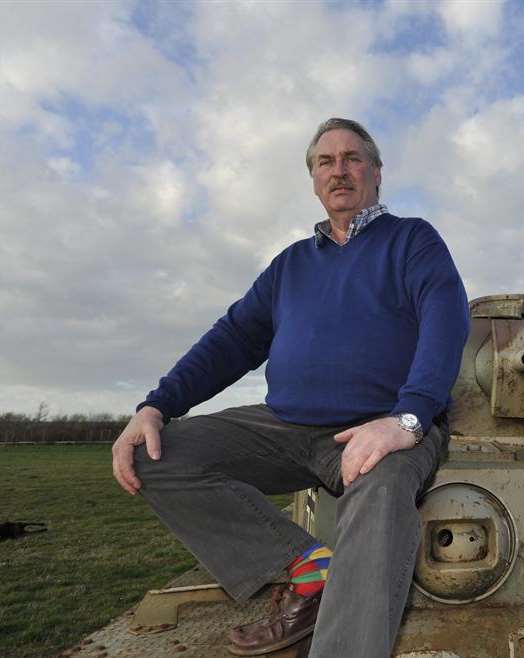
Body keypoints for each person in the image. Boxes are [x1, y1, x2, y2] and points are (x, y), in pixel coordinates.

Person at [111, 118, 470, 657]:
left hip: (379, 427)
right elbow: (232, 338)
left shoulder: (412, 240)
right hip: (284, 426)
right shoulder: (291, 265)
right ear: (313, 180)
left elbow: (447, 320)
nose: (339, 170)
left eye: (352, 158)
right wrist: (157, 405)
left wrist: (409, 419)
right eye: (325, 162)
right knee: (153, 455)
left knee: (377, 499)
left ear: (375, 172)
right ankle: (309, 567)